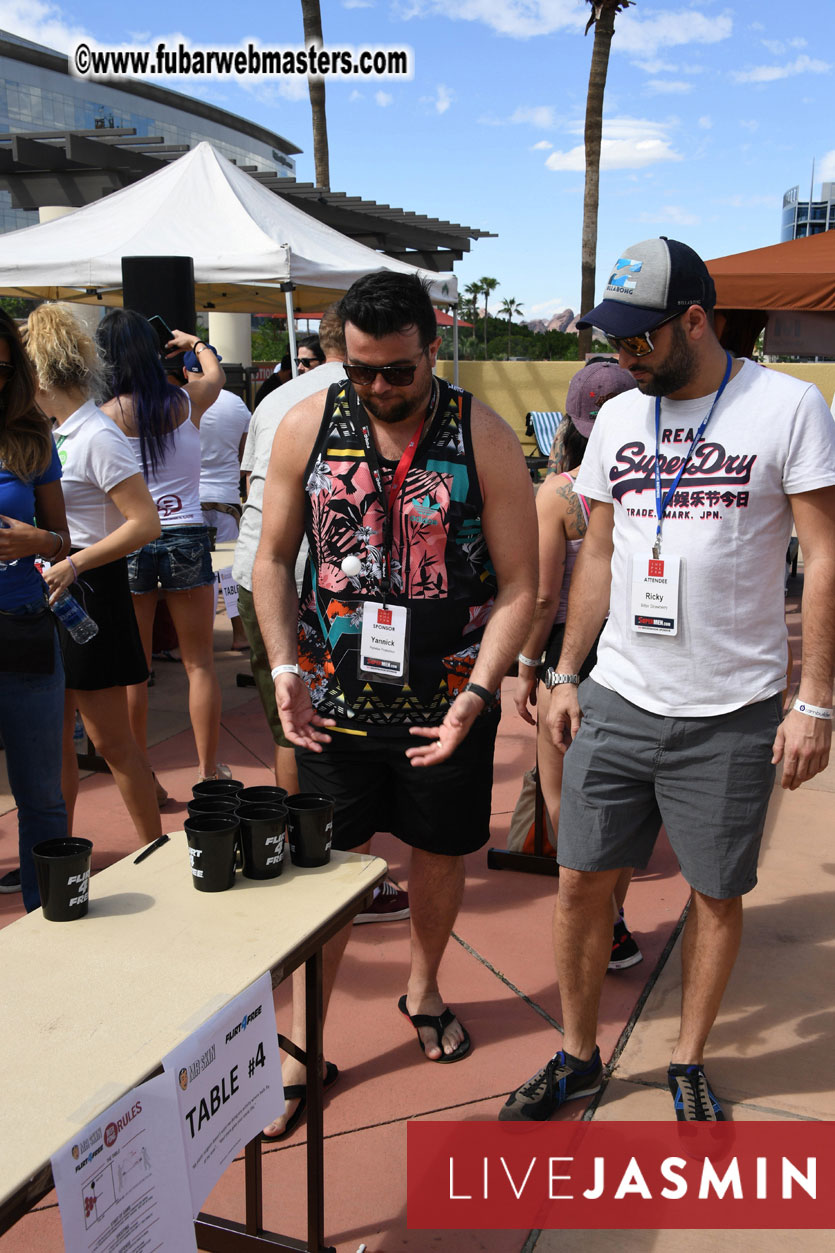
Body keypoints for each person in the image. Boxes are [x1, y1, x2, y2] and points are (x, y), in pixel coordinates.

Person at [501, 237, 835, 1124]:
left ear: (695, 319)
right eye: (613, 340)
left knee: (715, 892)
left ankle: (686, 1059)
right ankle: (576, 1053)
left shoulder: (788, 407)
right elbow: (601, 554)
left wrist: (813, 700)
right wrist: (567, 671)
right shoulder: (617, 417)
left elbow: (826, 555)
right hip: (619, 692)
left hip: (732, 705)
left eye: (638, 340)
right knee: (579, 879)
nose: (623, 356)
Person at [252, 271, 537, 1138]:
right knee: (329, 872)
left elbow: (523, 584)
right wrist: (278, 668)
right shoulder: (308, 423)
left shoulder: (480, 433)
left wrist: (482, 690)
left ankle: (422, 985)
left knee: (439, 853)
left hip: (446, 700)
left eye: (398, 371)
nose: (379, 387)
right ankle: (305, 1042)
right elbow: (271, 559)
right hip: (331, 701)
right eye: (361, 368)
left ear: (431, 348)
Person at [234, 305, 408, 924]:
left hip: (266, 577)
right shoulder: (321, 408)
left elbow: (248, 491)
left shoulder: (277, 398)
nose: (381, 386)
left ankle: (299, 849)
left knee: (292, 725)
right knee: (307, 729)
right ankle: (312, 853)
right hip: (306, 584)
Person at [514, 359, 641, 970]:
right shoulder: (656, 481)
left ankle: (595, 912)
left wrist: (528, 664)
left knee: (563, 788)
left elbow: (542, 595)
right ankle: (612, 913)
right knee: (627, 797)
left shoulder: (559, 494)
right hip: (638, 649)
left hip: (570, 650)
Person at [25, 303, 163, 846]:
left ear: (37, 373)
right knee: (54, 740)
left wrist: (74, 562)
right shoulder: (60, 433)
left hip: (89, 591)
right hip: (57, 587)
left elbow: (146, 522)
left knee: (111, 743)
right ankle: (59, 853)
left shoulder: (95, 435)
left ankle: (154, 848)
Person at [95, 310, 228, 783]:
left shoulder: (103, 418)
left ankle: (143, 776)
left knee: (138, 667)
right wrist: (194, 343)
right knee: (199, 665)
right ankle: (209, 772)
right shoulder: (187, 401)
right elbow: (216, 373)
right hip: (186, 534)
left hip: (130, 539)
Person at [0, 309, 70, 908]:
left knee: (42, 793)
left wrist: (38, 542)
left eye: (1, 368)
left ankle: (48, 920)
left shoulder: (30, 436)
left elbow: (61, 539)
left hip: (22, 628)